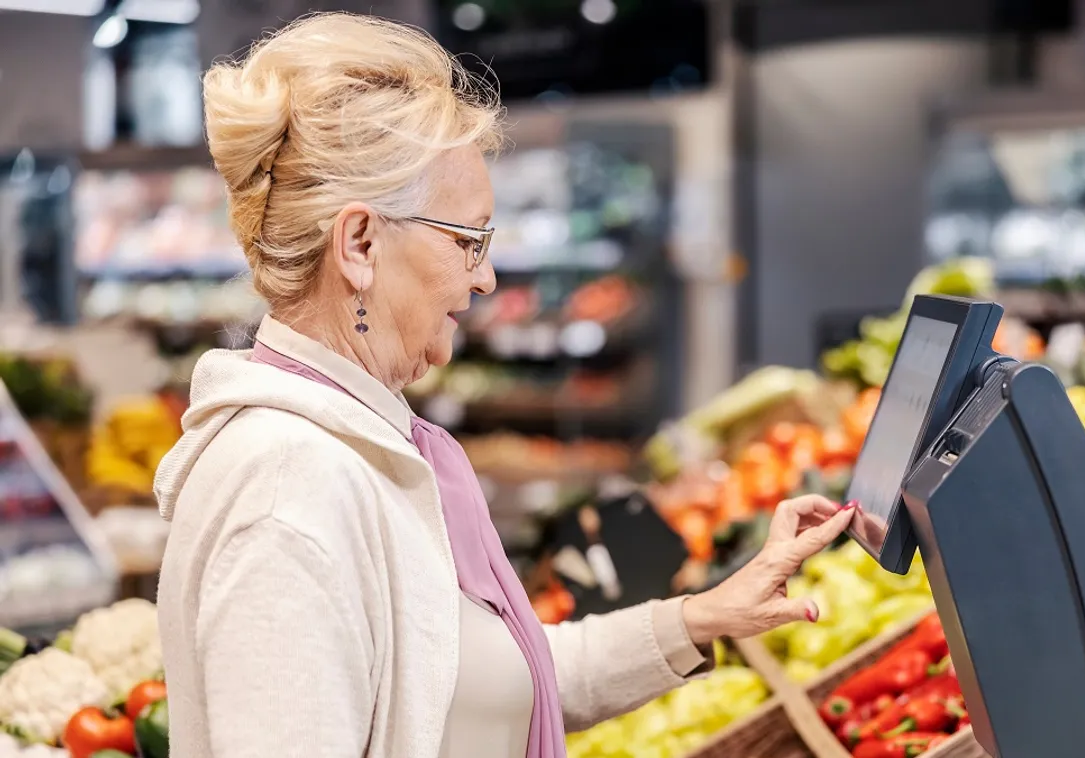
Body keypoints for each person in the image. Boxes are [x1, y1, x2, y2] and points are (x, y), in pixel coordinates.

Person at [153, 13, 858, 758]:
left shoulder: (355, 448)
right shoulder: (289, 489)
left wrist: (701, 619)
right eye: (467, 240)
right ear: (359, 243)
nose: (484, 276)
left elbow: (479, 680)